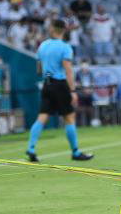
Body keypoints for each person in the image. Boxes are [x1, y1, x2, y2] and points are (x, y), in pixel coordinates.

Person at [27, 19, 94, 162]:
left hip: (46, 84)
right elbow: (68, 70)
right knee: (69, 117)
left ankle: (31, 148)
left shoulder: (43, 46)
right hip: (60, 84)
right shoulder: (65, 47)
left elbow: (38, 69)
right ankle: (75, 152)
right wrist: (73, 91)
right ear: (64, 30)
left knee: (42, 117)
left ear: (52, 28)